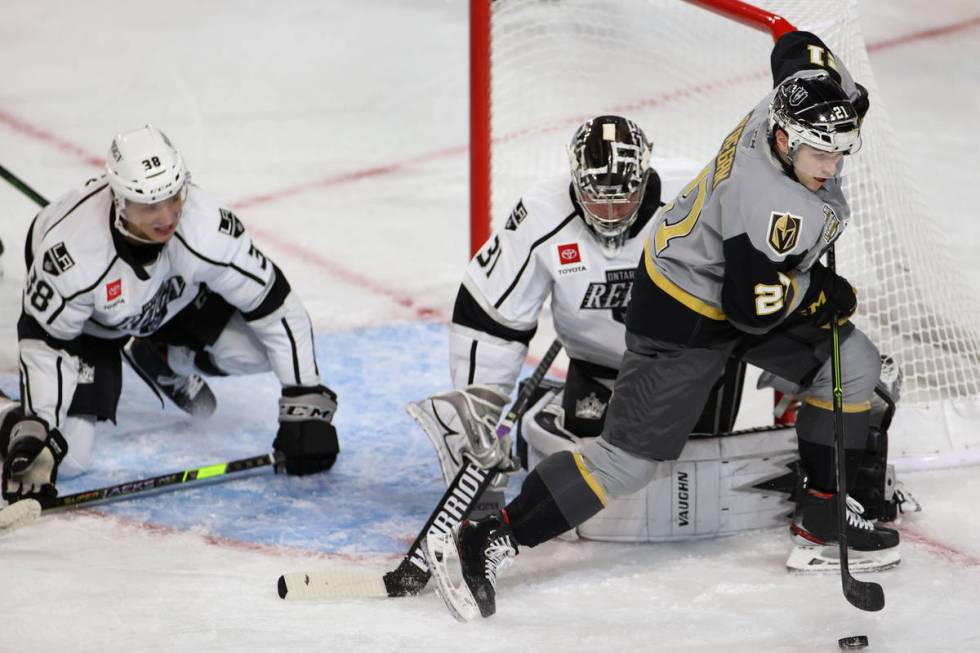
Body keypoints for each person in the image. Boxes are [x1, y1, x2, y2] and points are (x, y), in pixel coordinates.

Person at [424, 31, 900, 622]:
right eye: (819, 155)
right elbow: (752, 307)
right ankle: (494, 536)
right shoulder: (770, 204)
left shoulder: (787, 102)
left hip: (721, 274)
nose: (831, 169)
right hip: (683, 314)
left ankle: (824, 515)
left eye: (839, 153)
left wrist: (842, 98)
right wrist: (820, 291)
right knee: (626, 463)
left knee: (851, 364)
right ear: (782, 138)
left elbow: (797, 48)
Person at [407, 115, 748, 520]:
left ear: (644, 176)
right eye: (595, 199)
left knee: (688, 459)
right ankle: (543, 407)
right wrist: (481, 407)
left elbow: (759, 268)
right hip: (598, 365)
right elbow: (491, 316)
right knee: (593, 466)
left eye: (621, 198)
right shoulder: (540, 214)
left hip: (689, 364)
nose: (608, 212)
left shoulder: (698, 193)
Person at [1, 125, 339, 507]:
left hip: (170, 299)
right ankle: (4, 411)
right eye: (149, 205)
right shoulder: (72, 259)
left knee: (260, 352)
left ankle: (163, 356)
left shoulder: (205, 226)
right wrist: (37, 427)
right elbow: (47, 345)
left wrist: (304, 395)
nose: (167, 216)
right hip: (96, 327)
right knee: (72, 460)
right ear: (120, 202)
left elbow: (273, 301)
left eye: (173, 196)